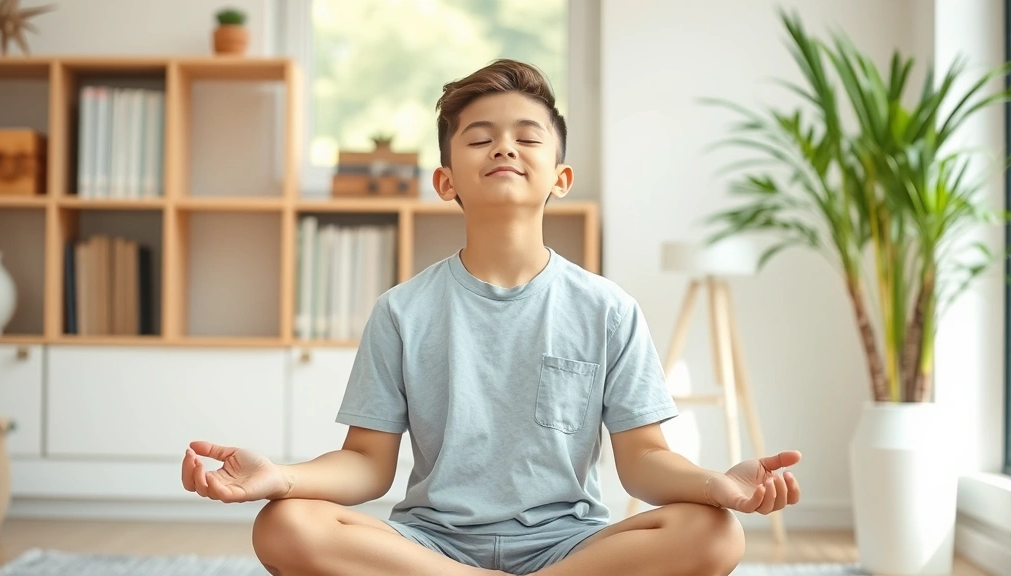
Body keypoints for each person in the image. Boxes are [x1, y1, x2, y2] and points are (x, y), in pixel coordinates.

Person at [181, 58, 802, 576]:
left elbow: (642, 460)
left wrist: (714, 485)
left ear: (560, 177)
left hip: (571, 549)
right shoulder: (402, 311)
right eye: (480, 137)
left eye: (527, 137)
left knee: (717, 535)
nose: (504, 145)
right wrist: (281, 478)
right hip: (433, 549)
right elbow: (367, 464)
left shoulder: (609, 309)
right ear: (445, 181)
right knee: (286, 524)